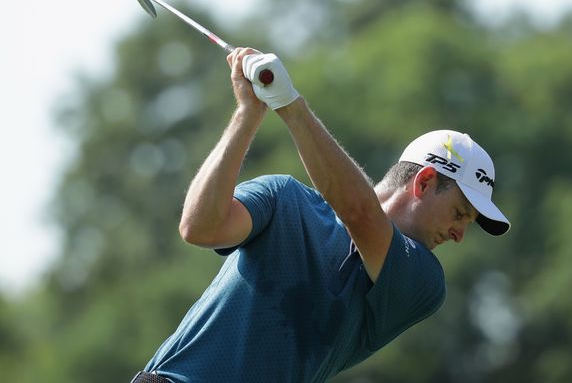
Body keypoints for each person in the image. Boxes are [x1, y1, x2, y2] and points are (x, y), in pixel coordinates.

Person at [131, 48, 510, 383]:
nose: (460, 234)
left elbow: (360, 214)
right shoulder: (284, 199)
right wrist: (248, 114)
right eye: (460, 214)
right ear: (425, 182)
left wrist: (290, 106)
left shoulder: (422, 281)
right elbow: (199, 227)